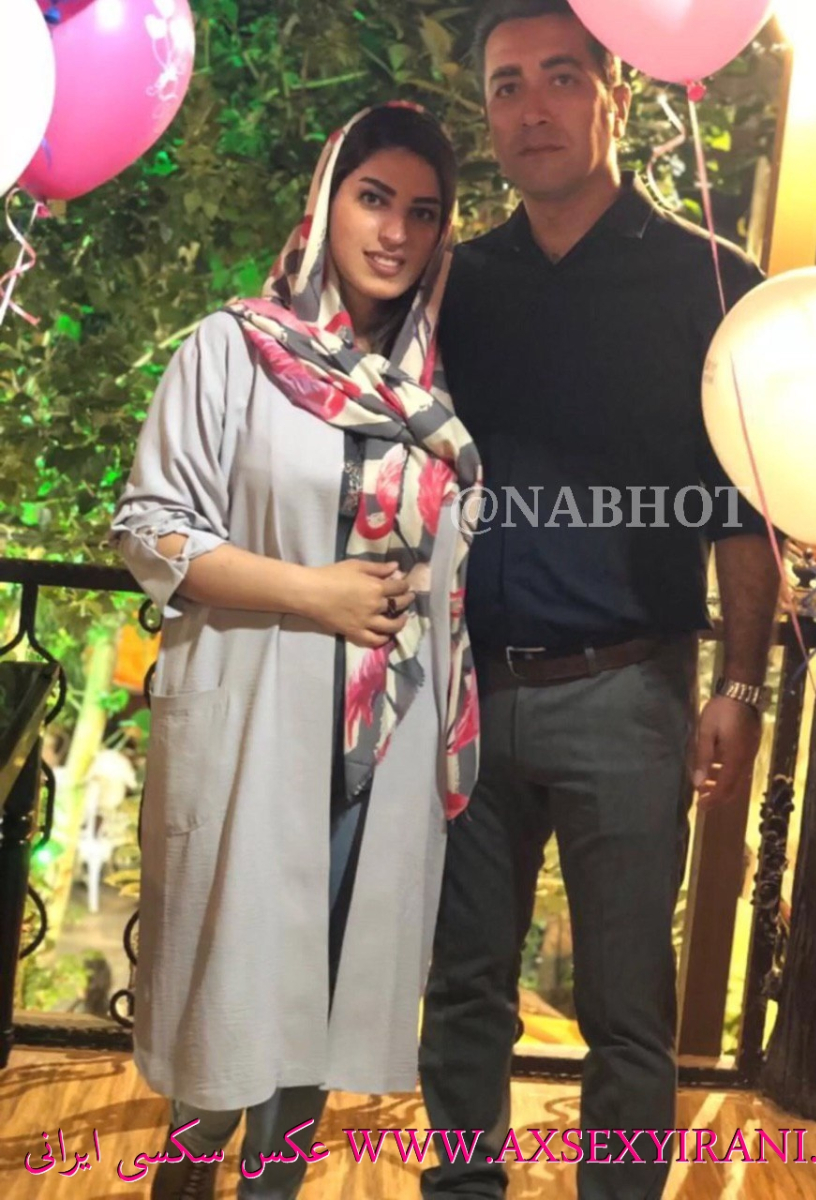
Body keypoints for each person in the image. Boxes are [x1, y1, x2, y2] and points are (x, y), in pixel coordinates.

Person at [419, 4, 780, 1199]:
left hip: (628, 695)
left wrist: (738, 688)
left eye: (560, 78)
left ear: (613, 99)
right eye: (506, 85)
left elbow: (747, 512)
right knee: (461, 988)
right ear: (487, 113)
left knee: (627, 1011)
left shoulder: (709, 281)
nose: (532, 108)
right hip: (468, 694)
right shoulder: (458, 283)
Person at [111, 102, 481, 1200]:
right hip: (258, 723)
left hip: (375, 749)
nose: (395, 233)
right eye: (373, 199)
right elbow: (149, 529)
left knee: (311, 1017)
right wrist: (313, 593)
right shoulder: (233, 349)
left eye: (422, 212)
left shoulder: (428, 393)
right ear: (326, 204)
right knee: (227, 1018)